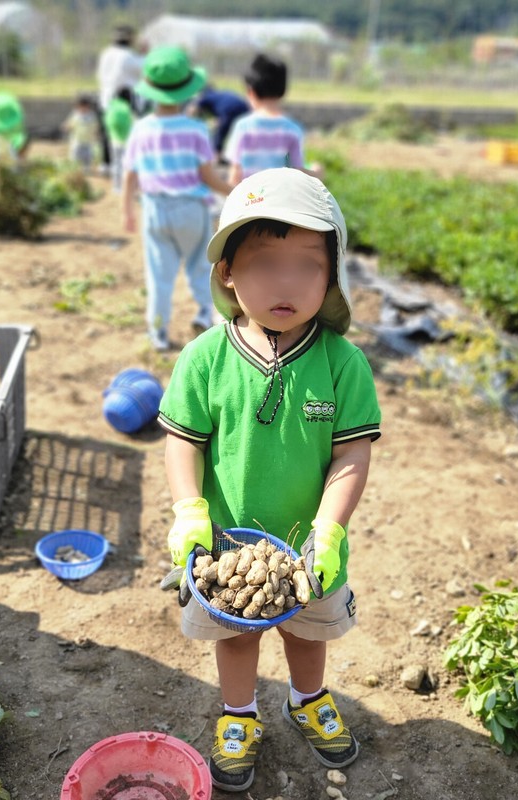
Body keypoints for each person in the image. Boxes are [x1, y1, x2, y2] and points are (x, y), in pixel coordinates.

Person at [157, 167, 381, 792]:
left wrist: (329, 531)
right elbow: (183, 441)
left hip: (311, 548)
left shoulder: (342, 363)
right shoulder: (205, 358)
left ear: (331, 277)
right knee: (235, 637)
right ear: (227, 271)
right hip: (229, 550)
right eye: (264, 263)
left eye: (308, 265)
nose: (287, 282)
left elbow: (351, 454)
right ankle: (239, 713)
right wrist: (189, 510)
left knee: (308, 632)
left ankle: (306, 698)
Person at [121, 46, 231, 352]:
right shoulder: (196, 130)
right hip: (192, 209)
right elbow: (208, 177)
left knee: (159, 276)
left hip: (154, 209)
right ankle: (205, 316)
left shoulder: (141, 129)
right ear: (186, 90)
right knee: (201, 269)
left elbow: (130, 175)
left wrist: (127, 211)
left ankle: (158, 333)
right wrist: (233, 190)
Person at [223, 54, 316, 186]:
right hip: (278, 195)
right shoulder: (293, 129)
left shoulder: (243, 126)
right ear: (283, 90)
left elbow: (235, 174)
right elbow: (298, 172)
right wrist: (317, 173)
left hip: (249, 196)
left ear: (251, 92)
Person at [96, 25, 144, 166]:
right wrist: (144, 53)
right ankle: (126, 162)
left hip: (105, 96)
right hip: (124, 98)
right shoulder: (128, 55)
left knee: (107, 130)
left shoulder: (106, 53)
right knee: (127, 131)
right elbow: (143, 69)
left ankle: (107, 162)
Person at [191, 84, 250, 162]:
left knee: (220, 133)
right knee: (240, 131)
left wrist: (189, 120)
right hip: (244, 107)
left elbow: (193, 108)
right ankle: (245, 153)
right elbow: (219, 117)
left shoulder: (207, 97)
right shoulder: (218, 95)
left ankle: (217, 156)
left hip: (228, 110)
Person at [103, 87, 134, 193]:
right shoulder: (126, 107)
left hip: (114, 140)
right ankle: (126, 187)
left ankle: (116, 187)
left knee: (116, 163)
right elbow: (131, 123)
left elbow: (106, 122)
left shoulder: (111, 105)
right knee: (127, 165)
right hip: (126, 141)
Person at [61, 93, 100, 174]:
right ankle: (73, 169)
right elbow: (70, 123)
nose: (82, 109)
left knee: (88, 156)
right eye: (80, 107)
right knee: (75, 155)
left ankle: (86, 169)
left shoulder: (91, 116)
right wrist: (66, 126)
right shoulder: (75, 115)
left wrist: (96, 134)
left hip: (88, 140)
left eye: (84, 107)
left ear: (88, 106)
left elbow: (95, 126)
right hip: (77, 139)